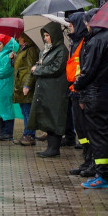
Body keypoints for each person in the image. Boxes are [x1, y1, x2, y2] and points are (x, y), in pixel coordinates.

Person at [72, 15, 108, 189]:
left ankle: (103, 175)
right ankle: (107, 172)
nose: (85, 25)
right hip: (107, 95)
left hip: (95, 95)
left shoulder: (95, 42)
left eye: (87, 21)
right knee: (106, 134)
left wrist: (77, 85)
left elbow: (88, 71)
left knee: (98, 136)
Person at [27, 21, 69, 157]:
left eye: (47, 35)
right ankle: (50, 147)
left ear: (54, 35)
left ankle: (54, 148)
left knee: (54, 118)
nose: (45, 38)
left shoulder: (62, 50)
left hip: (55, 91)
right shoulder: (45, 51)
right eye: (44, 36)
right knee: (47, 118)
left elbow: (56, 68)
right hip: (45, 90)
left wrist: (38, 69)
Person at [66, 12, 92, 175]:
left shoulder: (85, 44)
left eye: (71, 24)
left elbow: (85, 69)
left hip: (81, 90)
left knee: (86, 129)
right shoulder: (74, 43)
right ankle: (86, 160)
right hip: (73, 90)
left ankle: (91, 161)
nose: (69, 27)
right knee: (81, 130)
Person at [12, 32, 38, 146]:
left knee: (28, 111)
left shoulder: (31, 50)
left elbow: (30, 69)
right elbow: (19, 66)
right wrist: (13, 59)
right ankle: (26, 133)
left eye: (21, 36)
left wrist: (27, 85)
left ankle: (30, 135)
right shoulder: (22, 49)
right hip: (20, 84)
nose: (19, 38)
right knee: (24, 110)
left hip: (25, 85)